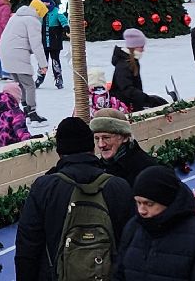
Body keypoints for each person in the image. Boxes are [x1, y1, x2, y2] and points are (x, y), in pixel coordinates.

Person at [15, 117, 134, 281]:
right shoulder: (118, 186)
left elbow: (27, 247)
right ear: (92, 148)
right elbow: (132, 244)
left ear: (59, 152)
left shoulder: (45, 187)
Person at [115, 165, 195, 281]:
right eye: (138, 203)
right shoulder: (133, 227)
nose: (141, 210)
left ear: (167, 200)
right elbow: (119, 273)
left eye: (149, 204)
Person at [0, 0, 50, 123]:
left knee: (20, 84)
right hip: (18, 54)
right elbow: (36, 44)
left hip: (6, 54)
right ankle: (32, 112)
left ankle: (25, 109)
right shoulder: (32, 21)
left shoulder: (16, 17)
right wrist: (43, 64)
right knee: (29, 85)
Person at [90, 106, 156, 184]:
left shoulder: (145, 168)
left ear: (124, 137)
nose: (101, 145)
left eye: (106, 138)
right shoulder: (97, 168)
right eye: (97, 139)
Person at [112, 29, 168, 111]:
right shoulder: (123, 65)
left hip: (133, 101)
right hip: (124, 105)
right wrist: (144, 98)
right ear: (133, 47)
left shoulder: (133, 61)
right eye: (141, 47)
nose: (143, 50)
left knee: (158, 102)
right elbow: (126, 89)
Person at [0, 80, 32, 146]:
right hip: (12, 148)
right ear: (16, 97)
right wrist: (30, 141)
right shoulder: (16, 113)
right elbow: (21, 131)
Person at [42, 0, 68, 90]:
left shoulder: (57, 11)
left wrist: (65, 26)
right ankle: (40, 77)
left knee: (55, 61)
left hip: (55, 42)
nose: (45, 3)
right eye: (43, 2)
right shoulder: (41, 12)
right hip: (44, 42)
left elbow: (63, 19)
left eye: (46, 1)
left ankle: (58, 78)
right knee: (42, 61)